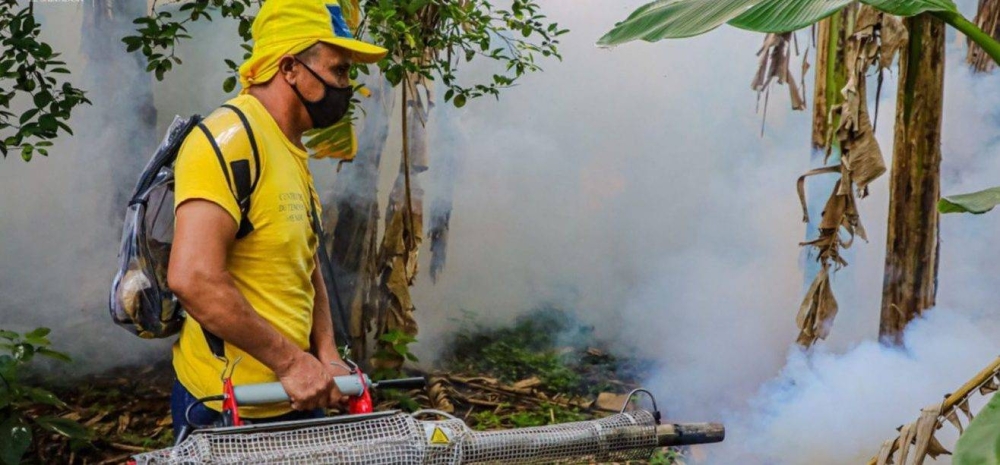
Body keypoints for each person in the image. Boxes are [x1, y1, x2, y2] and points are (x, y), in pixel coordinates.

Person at [166, 0, 387, 436]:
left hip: (300, 393)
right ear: (289, 67)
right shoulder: (229, 139)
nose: (347, 85)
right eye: (339, 70)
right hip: (228, 407)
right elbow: (193, 277)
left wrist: (324, 352)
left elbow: (304, 266)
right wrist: (290, 360)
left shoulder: (289, 146)